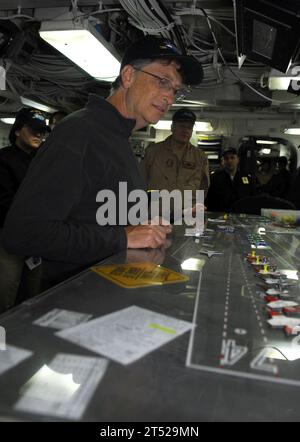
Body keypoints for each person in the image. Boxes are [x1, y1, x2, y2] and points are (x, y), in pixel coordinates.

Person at [3, 35, 203, 290]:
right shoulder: (79, 133)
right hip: (74, 296)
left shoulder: (116, 138)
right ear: (128, 76)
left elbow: (101, 209)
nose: (170, 97)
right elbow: (23, 233)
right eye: (163, 81)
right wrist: (121, 238)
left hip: (109, 289)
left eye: (175, 89)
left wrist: (169, 214)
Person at [0, 107, 50, 313]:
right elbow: (4, 202)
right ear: (18, 130)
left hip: (36, 238)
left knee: (32, 290)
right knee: (6, 289)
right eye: (33, 130)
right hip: (9, 236)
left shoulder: (43, 160)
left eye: (42, 131)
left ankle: (24, 330)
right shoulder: (3, 159)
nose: (39, 135)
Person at [141, 108, 210, 204]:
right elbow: (140, 183)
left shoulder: (200, 157)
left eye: (189, 127)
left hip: (186, 214)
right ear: (172, 127)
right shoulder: (153, 152)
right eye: (182, 126)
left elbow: (204, 187)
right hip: (157, 213)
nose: (185, 130)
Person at [205, 147, 254, 212]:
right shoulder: (214, 178)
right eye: (226, 158)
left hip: (241, 217)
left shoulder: (247, 178)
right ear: (222, 161)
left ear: (238, 160)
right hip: (220, 217)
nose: (229, 161)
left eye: (232, 157)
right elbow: (208, 200)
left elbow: (251, 199)